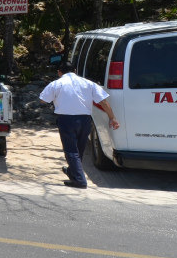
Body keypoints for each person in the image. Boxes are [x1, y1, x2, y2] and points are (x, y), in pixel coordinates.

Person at [39, 59, 120, 188]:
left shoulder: (56, 84)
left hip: (66, 120)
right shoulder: (88, 83)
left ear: (59, 72)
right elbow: (103, 102)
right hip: (85, 120)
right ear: (75, 71)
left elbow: (43, 100)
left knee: (71, 150)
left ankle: (79, 180)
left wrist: (57, 98)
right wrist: (112, 118)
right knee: (79, 149)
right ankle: (72, 172)